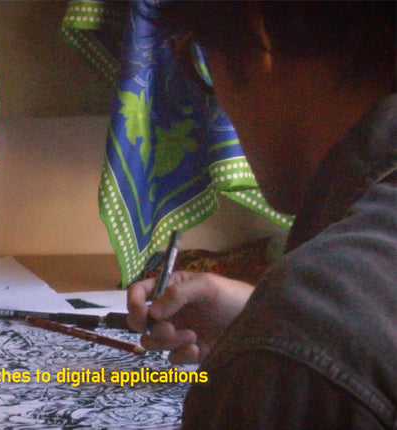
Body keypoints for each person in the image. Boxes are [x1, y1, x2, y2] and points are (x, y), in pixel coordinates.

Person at [125, 2, 396, 429]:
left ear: (257, 39)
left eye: (198, 59)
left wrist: (276, 340)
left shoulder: (296, 354)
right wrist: (256, 317)